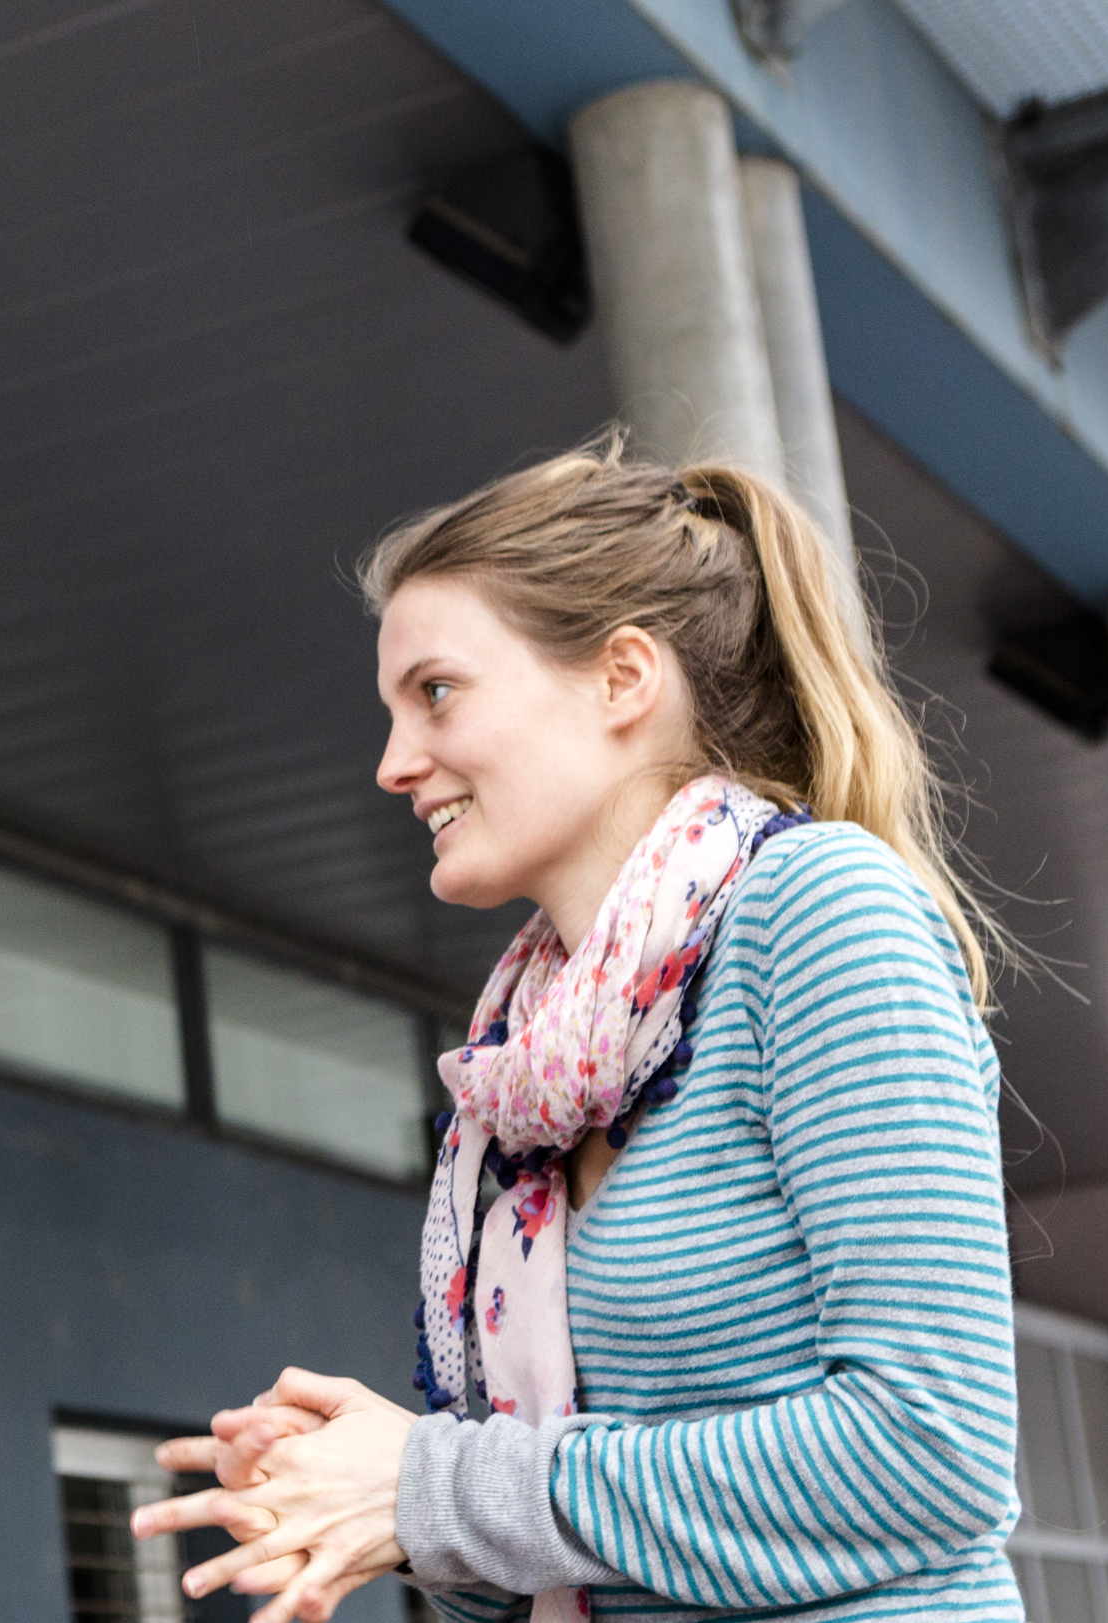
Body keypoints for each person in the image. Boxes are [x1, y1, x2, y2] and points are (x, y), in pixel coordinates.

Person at [134, 443, 1021, 1622]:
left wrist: (427, 1485)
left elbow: (930, 1454)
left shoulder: (817, 912)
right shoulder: (537, 1065)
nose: (394, 765)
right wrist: (354, 1501)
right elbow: (566, 1541)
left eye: (435, 693)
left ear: (619, 679)